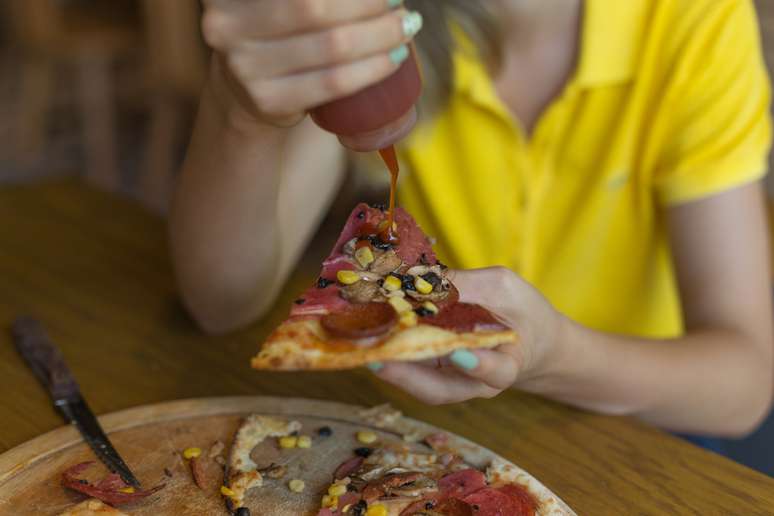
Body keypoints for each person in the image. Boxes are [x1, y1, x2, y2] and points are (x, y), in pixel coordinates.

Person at [170, 0, 774, 440]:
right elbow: (221, 302)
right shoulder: (362, 24)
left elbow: (741, 389)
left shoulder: (692, 21)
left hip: (638, 423)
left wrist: (554, 355)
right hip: (428, 428)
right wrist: (241, 111)